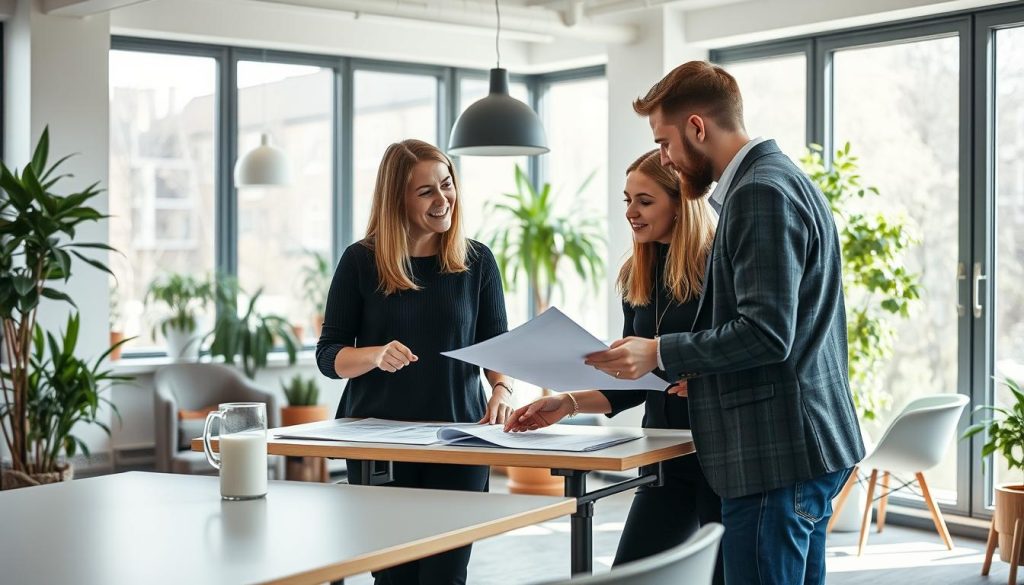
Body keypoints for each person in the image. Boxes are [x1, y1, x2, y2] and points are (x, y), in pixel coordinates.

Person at [583, 61, 865, 585]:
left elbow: (766, 333)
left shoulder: (758, 193)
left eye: (664, 143)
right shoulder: (779, 178)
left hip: (775, 455)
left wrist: (659, 352)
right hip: (799, 450)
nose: (664, 157)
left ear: (696, 127)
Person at [504, 149, 723, 584]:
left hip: (722, 454)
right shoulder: (636, 274)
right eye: (627, 200)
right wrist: (566, 402)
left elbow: (736, 349)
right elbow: (634, 382)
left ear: (681, 203)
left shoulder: (721, 266)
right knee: (631, 574)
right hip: (665, 458)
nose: (631, 213)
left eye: (645, 201)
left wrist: (701, 379)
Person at [315, 138, 514, 585]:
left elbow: (496, 344)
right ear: (396, 199)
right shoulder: (360, 261)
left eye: (447, 185)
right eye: (426, 191)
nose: (443, 199)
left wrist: (502, 387)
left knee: (445, 575)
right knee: (394, 578)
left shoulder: (477, 260)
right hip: (378, 444)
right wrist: (374, 355)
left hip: (459, 439)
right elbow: (329, 356)